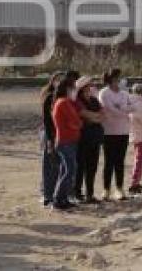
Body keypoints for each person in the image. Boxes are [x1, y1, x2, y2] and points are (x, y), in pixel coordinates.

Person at [99, 68, 132, 201]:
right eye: (118, 78)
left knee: (120, 161)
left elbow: (132, 107)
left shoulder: (124, 94)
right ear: (112, 79)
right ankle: (106, 189)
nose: (120, 80)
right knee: (109, 162)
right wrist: (123, 110)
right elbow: (109, 109)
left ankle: (119, 189)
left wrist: (122, 109)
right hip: (109, 132)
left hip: (123, 131)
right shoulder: (104, 93)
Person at [52, 75, 82, 210]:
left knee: (66, 170)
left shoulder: (64, 101)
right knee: (69, 170)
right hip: (66, 141)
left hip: (68, 140)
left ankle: (61, 198)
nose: (75, 90)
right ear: (67, 89)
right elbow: (74, 122)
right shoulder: (63, 102)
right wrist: (78, 124)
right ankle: (58, 199)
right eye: (73, 88)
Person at [74, 76, 104, 203]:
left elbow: (102, 116)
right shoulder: (77, 101)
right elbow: (83, 114)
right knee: (80, 166)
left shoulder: (94, 100)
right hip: (82, 138)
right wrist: (94, 117)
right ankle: (77, 193)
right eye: (88, 85)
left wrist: (93, 118)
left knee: (92, 167)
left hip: (95, 137)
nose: (90, 87)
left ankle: (90, 194)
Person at [40, 71, 65, 207]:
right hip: (50, 133)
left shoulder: (62, 97)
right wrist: (50, 139)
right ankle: (47, 195)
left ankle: (55, 193)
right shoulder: (49, 97)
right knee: (49, 164)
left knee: (59, 165)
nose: (59, 83)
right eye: (57, 80)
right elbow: (47, 121)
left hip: (60, 133)